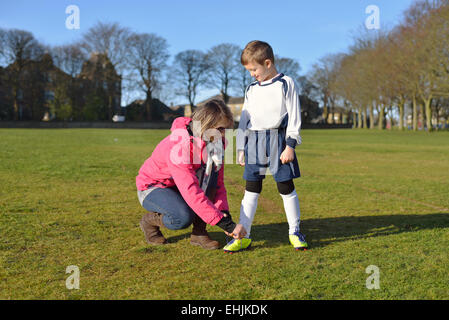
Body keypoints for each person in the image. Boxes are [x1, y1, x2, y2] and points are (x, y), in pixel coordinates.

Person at [223, 40, 308, 253]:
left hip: (279, 140)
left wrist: (290, 145)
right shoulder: (251, 89)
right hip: (254, 141)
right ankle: (244, 235)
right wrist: (241, 147)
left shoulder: (286, 83)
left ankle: (295, 231)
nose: (252, 74)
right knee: (251, 189)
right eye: (249, 70)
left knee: (285, 187)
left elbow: (295, 117)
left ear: (268, 63)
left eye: (254, 69)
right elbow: (245, 119)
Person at [136, 100, 247, 250]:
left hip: (177, 186)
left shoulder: (216, 143)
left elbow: (217, 183)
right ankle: (148, 222)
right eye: (220, 129)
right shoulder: (179, 146)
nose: (223, 135)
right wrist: (226, 224)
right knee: (182, 217)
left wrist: (224, 213)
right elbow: (191, 190)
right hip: (152, 187)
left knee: (210, 178)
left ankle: (199, 233)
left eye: (226, 129)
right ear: (205, 124)